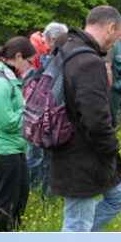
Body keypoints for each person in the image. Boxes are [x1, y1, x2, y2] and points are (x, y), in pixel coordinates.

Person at [51, 5, 121, 232]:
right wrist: (111, 148)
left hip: (70, 148)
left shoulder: (66, 47)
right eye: (117, 35)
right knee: (77, 225)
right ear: (110, 27)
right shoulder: (88, 61)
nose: (115, 42)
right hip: (79, 157)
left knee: (120, 196)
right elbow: (96, 120)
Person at [0, 37, 36, 232]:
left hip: (16, 147)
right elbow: (6, 121)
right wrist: (29, 110)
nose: (31, 66)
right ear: (18, 56)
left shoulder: (9, 78)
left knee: (20, 198)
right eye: (29, 61)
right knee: (5, 204)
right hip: (3, 150)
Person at [25, 22, 68, 197]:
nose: (43, 45)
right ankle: (41, 194)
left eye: (45, 41)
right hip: (51, 121)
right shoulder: (58, 60)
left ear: (52, 40)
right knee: (44, 160)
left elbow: (54, 95)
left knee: (47, 161)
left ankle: (45, 196)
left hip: (50, 121)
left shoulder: (58, 61)